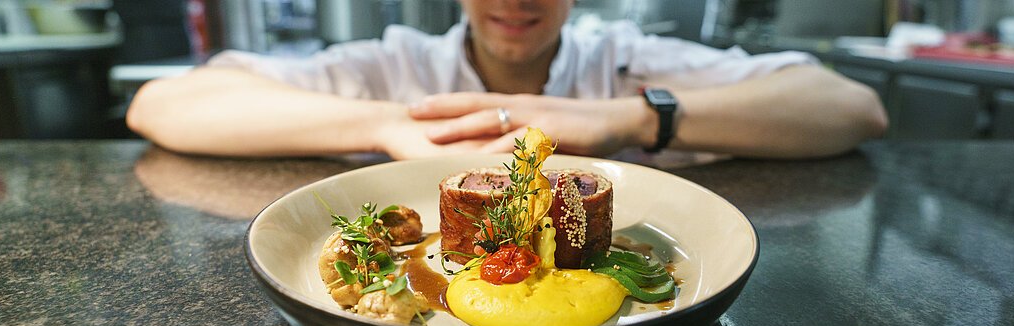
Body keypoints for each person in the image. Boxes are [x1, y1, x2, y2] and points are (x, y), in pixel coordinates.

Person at [126, 0, 887, 161]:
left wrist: (632, 120)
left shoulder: (620, 57)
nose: (518, 2)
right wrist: (387, 126)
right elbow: (165, 102)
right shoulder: (396, 63)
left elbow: (849, 107)